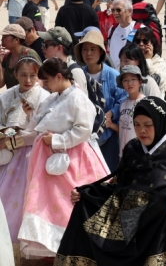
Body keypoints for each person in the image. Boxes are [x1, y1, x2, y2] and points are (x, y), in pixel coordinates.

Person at [56, 97, 166, 265]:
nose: (141, 130)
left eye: (147, 124)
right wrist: (87, 194)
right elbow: (120, 184)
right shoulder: (132, 148)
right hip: (131, 219)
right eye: (136, 124)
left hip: (163, 223)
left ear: (161, 121)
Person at [17, 58, 109, 259]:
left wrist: (58, 140)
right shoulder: (53, 98)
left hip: (73, 159)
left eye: (47, 80)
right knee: (47, 205)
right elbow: (40, 122)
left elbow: (84, 130)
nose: (45, 85)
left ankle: (76, 247)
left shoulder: (78, 98)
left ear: (59, 77)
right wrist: (31, 115)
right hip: (48, 160)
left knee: (71, 203)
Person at [0, 56, 50, 258]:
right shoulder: (7, 96)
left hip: (30, 155)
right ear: (15, 75)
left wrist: (11, 137)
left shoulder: (44, 96)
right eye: (23, 75)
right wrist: (6, 134)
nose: (28, 80)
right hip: (5, 152)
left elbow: (40, 129)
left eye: (32, 75)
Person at [75, 30, 126, 171]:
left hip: (108, 134)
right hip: (85, 135)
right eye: (85, 49)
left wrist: (110, 114)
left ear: (101, 52)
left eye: (93, 49)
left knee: (108, 173)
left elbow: (121, 99)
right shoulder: (79, 75)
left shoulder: (114, 75)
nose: (88, 53)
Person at [110, 64, 147, 155]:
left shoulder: (145, 103)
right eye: (125, 80)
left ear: (140, 81)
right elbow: (123, 128)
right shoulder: (122, 103)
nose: (129, 83)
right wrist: (110, 124)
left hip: (139, 153)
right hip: (123, 153)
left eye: (133, 79)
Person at [39, 26, 87, 91]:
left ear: (59, 48)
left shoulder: (75, 72)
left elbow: (80, 100)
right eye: (42, 44)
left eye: (45, 45)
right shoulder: (46, 65)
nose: (42, 48)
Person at [0, 24, 41, 89]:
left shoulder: (29, 54)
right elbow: (0, 84)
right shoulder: (7, 57)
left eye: (5, 37)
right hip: (13, 97)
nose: (2, 40)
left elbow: (40, 79)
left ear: (16, 40)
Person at [133, 27, 166, 96]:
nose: (141, 44)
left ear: (152, 43)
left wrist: (147, 59)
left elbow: (153, 81)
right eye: (138, 41)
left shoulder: (160, 63)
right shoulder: (131, 60)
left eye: (145, 41)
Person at [106, 0, 137, 68]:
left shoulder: (138, 29)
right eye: (113, 10)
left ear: (129, 11)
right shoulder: (112, 29)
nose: (115, 13)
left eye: (118, 10)